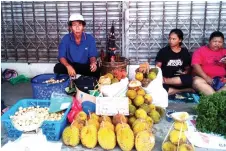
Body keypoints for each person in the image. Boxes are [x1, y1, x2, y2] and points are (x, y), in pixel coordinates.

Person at [54, 14, 100, 79]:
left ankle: (83, 80)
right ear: (70, 27)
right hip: (71, 65)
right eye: (74, 25)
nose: (77, 28)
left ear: (83, 27)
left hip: (84, 66)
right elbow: (61, 56)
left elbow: (92, 55)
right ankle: (71, 78)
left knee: (96, 68)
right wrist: (68, 66)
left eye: (80, 25)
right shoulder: (66, 38)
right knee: (57, 68)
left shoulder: (90, 38)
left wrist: (93, 63)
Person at [155, 29, 193, 95]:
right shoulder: (163, 51)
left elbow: (188, 68)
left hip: (178, 79)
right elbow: (157, 67)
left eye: (174, 39)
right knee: (161, 90)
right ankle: (183, 90)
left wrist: (185, 72)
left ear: (180, 40)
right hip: (166, 78)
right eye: (170, 38)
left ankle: (174, 89)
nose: (170, 41)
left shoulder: (184, 52)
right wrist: (159, 77)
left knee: (189, 79)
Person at [192, 31, 226, 95]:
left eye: (220, 42)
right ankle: (217, 98)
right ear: (209, 41)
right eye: (215, 41)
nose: (217, 44)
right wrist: (206, 77)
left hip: (221, 81)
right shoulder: (200, 51)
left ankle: (213, 98)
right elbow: (195, 65)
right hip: (203, 79)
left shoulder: (224, 52)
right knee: (197, 82)